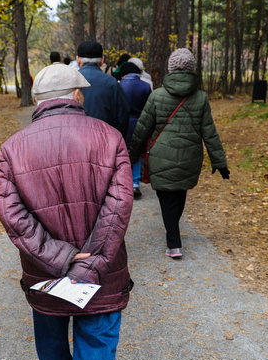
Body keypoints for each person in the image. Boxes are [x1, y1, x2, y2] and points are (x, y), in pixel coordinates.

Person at [0, 64, 134, 360]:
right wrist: (87, 263)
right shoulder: (109, 138)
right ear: (76, 96)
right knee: (97, 340)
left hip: (44, 272)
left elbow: (13, 217)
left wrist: (61, 258)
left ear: (38, 102)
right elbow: (119, 206)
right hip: (103, 271)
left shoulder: (12, 148)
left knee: (50, 326)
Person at [129, 48, 229, 259]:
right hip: (189, 157)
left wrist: (132, 155)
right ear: (192, 69)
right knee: (179, 194)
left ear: (170, 69)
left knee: (167, 198)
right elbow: (209, 132)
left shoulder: (157, 96)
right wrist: (219, 160)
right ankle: (172, 230)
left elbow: (142, 130)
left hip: (160, 157)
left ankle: (173, 243)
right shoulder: (201, 98)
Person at [76, 41, 130, 141]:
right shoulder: (112, 83)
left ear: (77, 59)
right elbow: (123, 115)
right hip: (106, 142)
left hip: (76, 142)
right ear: (102, 60)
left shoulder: (70, 81)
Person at [119, 61, 152, 198]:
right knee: (136, 153)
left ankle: (122, 183)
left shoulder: (119, 85)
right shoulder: (145, 86)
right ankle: (135, 184)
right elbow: (149, 108)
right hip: (140, 123)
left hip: (123, 122)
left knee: (122, 153)